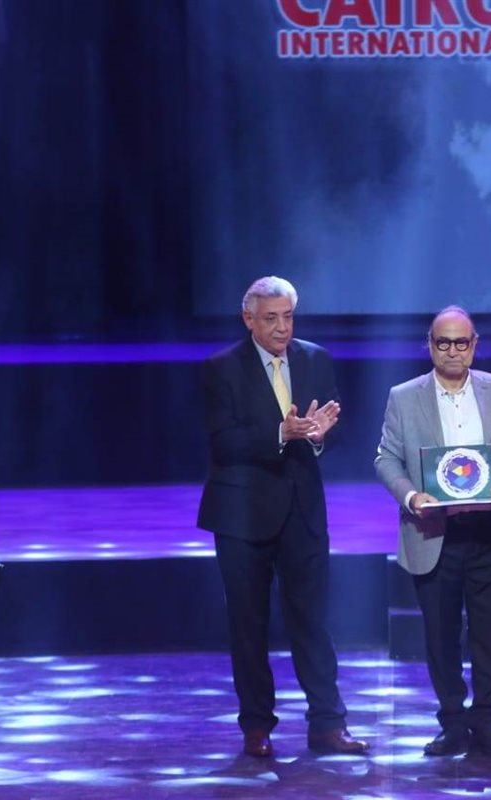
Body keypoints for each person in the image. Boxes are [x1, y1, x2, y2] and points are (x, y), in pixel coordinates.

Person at [196, 276, 369, 757]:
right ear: (248, 319)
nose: (281, 327)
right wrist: (281, 433)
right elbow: (222, 443)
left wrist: (319, 435)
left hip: (301, 513)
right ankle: (256, 728)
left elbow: (331, 431)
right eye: (270, 318)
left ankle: (328, 725)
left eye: (288, 317)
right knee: (249, 626)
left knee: (312, 621)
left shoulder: (315, 358)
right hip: (242, 515)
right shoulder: (220, 368)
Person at [374, 306, 491, 759]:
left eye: (461, 342)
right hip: (433, 532)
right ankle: (452, 723)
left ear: (474, 345)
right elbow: (386, 458)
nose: (452, 351)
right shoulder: (404, 396)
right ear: (429, 345)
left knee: (490, 634)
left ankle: (486, 723)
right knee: (441, 636)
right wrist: (411, 496)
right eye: (442, 342)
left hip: (488, 530)